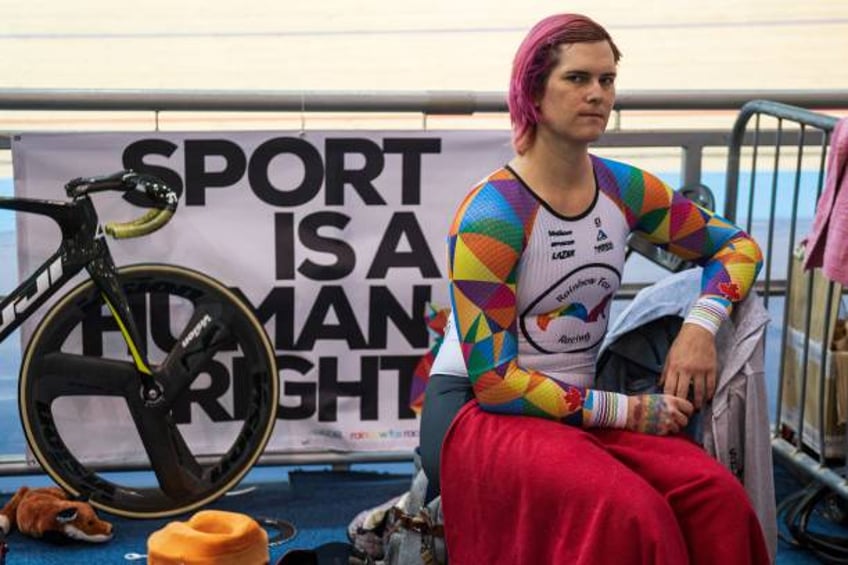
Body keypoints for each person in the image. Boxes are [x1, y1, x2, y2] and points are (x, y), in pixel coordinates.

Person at [419, 13, 770, 565]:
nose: (597, 95)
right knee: (633, 514)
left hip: (580, 406)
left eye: (607, 80)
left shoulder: (623, 188)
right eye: (577, 79)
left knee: (717, 500)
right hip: (479, 415)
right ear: (533, 90)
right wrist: (627, 411)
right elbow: (495, 383)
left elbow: (738, 248)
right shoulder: (493, 216)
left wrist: (702, 325)